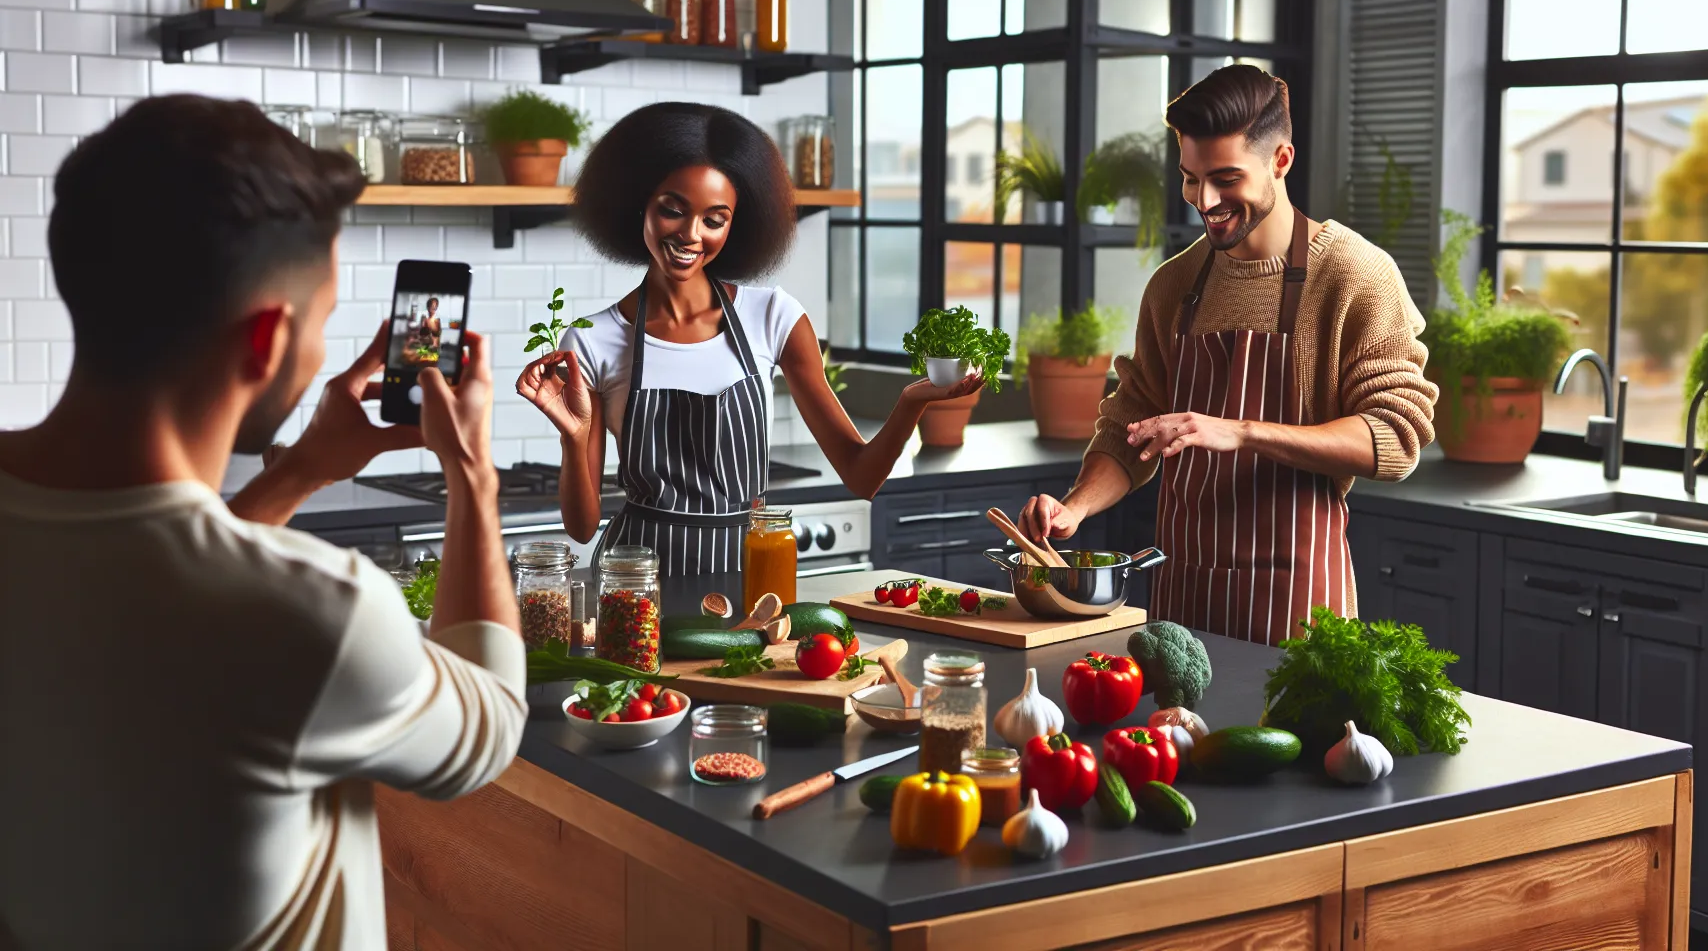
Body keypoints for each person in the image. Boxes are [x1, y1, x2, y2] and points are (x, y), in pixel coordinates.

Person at [0, 95, 525, 949]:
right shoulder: (319, 613)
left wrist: (304, 467)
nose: (322, 349)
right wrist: (470, 471)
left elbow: (144, 573)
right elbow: (490, 723)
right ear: (268, 341)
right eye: (322, 323)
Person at [1019, 66, 1437, 645]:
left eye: (1225, 178)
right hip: (1185, 594)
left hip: (1299, 605)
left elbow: (1396, 437)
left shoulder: (1353, 275)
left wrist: (1241, 432)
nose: (1205, 201)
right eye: (1191, 179)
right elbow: (1130, 427)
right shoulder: (1175, 285)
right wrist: (1076, 508)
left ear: (1282, 160)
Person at [516, 102, 979, 573]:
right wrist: (574, 438)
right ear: (641, 204)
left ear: (736, 224)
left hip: (751, 578)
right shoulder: (593, 340)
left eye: (714, 220)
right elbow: (581, 526)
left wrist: (911, 401)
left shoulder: (774, 316)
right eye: (673, 210)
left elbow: (861, 477)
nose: (691, 235)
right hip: (635, 586)